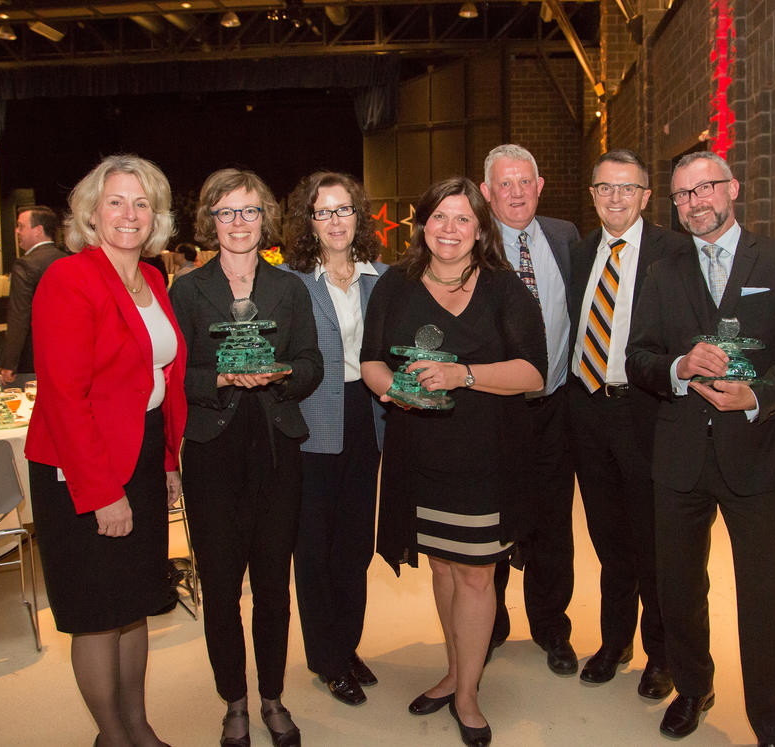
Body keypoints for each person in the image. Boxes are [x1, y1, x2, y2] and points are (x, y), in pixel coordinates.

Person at [625, 151, 775, 745]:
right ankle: (693, 687)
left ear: (732, 188)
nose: (695, 203)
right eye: (682, 196)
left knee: (764, 597)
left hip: (755, 454)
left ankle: (771, 720)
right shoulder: (664, 272)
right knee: (679, 588)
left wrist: (757, 394)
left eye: (705, 188)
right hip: (679, 456)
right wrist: (681, 366)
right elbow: (639, 358)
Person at [361, 176, 546, 747]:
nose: (449, 228)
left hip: (486, 455)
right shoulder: (393, 284)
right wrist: (396, 391)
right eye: (439, 216)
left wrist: (463, 375)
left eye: (462, 219)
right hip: (419, 452)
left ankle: (467, 693)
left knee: (475, 571)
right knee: (441, 567)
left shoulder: (504, 289)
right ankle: (454, 668)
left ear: (479, 228)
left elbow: (533, 374)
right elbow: (371, 361)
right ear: (421, 224)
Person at [25, 154, 187, 747]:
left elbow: (158, 379)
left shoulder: (153, 280)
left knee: (136, 601)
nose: (130, 213)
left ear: (157, 216)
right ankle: (112, 736)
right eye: (116, 201)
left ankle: (139, 726)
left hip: (140, 454)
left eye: (142, 203)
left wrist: (166, 461)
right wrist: (101, 494)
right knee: (97, 612)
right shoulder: (68, 279)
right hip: (81, 464)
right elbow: (65, 399)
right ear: (91, 214)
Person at [169, 168, 322, 747]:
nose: (239, 223)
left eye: (250, 211)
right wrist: (221, 376)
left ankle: (273, 697)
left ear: (266, 219)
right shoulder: (186, 289)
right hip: (213, 451)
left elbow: (312, 362)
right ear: (210, 220)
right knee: (223, 587)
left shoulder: (289, 288)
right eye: (227, 212)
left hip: (278, 449)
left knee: (274, 588)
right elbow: (177, 373)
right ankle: (234, 699)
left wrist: (284, 377)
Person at [566, 149, 691, 695]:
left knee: (652, 539)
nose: (615, 198)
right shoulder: (579, 251)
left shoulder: (674, 252)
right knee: (607, 536)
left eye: (627, 188)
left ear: (645, 196)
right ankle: (614, 642)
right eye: (604, 188)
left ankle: (662, 654)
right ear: (592, 195)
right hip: (586, 408)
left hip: (645, 411)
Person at [282, 171, 388, 706]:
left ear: (358, 215)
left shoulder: (383, 278)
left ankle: (347, 645)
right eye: (323, 212)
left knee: (355, 546)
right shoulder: (292, 282)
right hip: (311, 423)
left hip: (368, 417)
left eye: (343, 209)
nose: (335, 221)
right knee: (315, 548)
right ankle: (327, 658)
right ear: (309, 221)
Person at [478, 144, 580, 675]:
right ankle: (488, 625)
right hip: (493, 411)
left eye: (525, 183)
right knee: (492, 519)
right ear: (485, 192)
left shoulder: (566, 239)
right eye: (504, 184)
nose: (515, 193)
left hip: (555, 408)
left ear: (540, 187)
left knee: (552, 522)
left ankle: (551, 626)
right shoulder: (468, 243)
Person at [1, 204, 66, 383]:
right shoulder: (70, 261)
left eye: (21, 226)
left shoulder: (25, 265)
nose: (17, 231)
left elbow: (19, 316)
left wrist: (9, 363)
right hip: (71, 354)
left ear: (38, 230)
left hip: (36, 358)